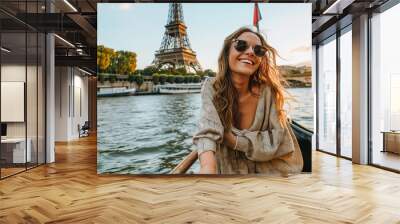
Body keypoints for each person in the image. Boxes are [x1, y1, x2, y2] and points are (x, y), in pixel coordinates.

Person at [192, 26, 303, 175]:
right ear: (227, 52)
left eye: (258, 50)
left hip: (272, 173)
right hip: (230, 173)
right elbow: (207, 131)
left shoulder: (268, 91)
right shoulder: (211, 87)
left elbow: (280, 139)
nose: (250, 52)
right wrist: (207, 168)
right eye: (241, 45)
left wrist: (235, 142)